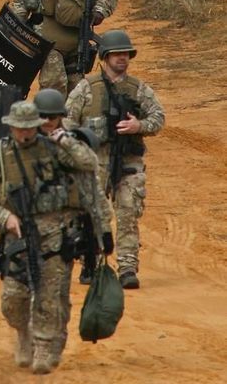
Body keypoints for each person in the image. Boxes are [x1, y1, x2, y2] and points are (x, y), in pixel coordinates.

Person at [0, 100, 99, 374]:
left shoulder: (53, 150)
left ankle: (43, 346)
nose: (24, 134)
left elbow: (89, 162)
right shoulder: (2, 156)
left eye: (29, 128)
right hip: (18, 235)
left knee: (49, 296)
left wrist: (65, 139)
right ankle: (23, 333)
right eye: (19, 129)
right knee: (13, 299)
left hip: (55, 234)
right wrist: (4, 216)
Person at [65, 29, 165, 290]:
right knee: (93, 215)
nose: (123, 58)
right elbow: (66, 123)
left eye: (126, 54)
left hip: (128, 160)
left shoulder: (137, 89)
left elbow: (158, 117)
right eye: (117, 54)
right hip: (94, 162)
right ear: (105, 57)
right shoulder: (87, 88)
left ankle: (128, 267)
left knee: (128, 212)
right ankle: (93, 263)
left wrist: (139, 126)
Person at [34, 88, 114, 366]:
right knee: (30, 292)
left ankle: (52, 342)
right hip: (31, 230)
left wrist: (104, 230)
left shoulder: (73, 142)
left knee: (56, 292)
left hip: (65, 231)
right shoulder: (21, 140)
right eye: (42, 116)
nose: (47, 121)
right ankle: (36, 339)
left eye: (52, 117)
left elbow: (91, 183)